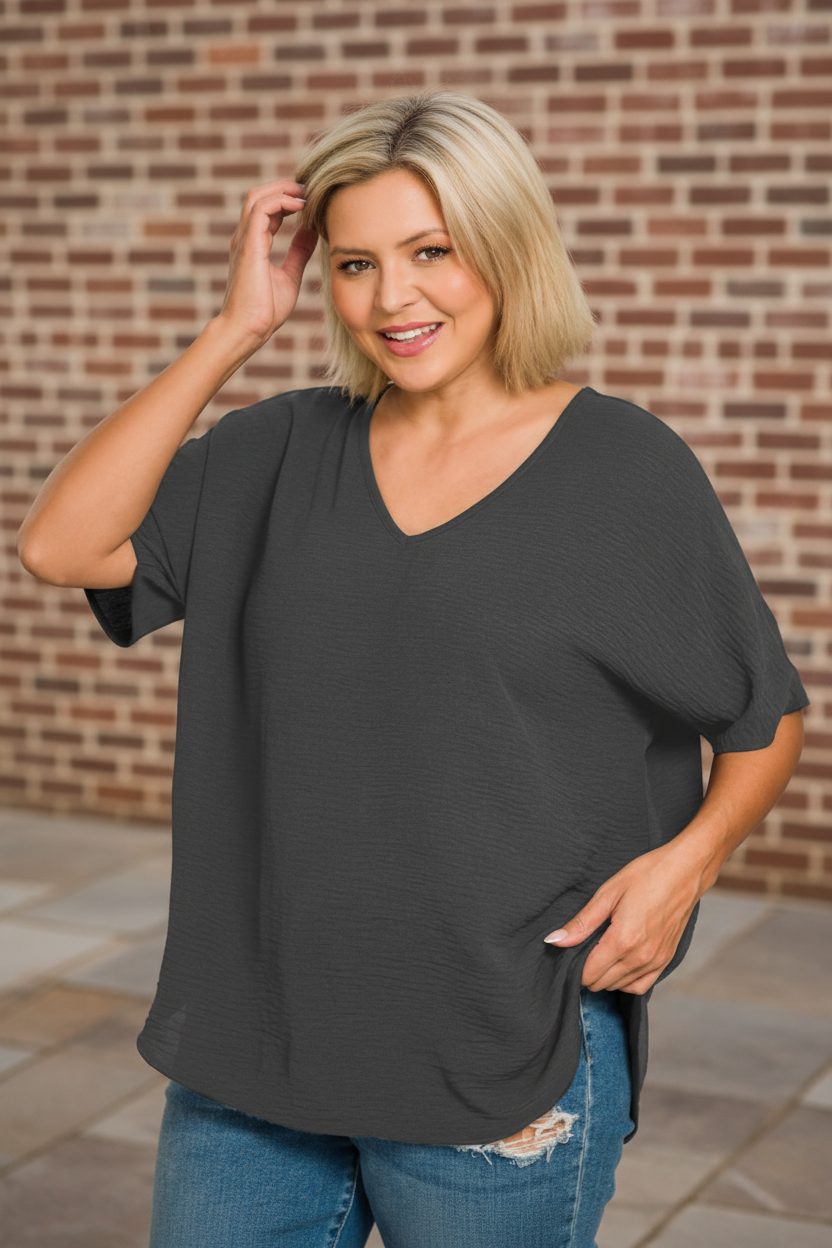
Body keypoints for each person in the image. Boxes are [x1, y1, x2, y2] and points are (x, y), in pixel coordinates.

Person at [17, 89, 808, 1248]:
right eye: (354, 264)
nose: (395, 299)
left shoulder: (623, 469)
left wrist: (688, 862)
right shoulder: (276, 448)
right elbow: (61, 546)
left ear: (505, 244)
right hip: (254, 1043)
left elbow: (760, 716)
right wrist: (236, 329)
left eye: (431, 251)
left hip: (498, 1049)